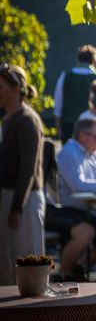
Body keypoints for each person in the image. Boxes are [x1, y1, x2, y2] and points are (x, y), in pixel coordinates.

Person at [47, 118, 96, 280]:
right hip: (60, 210)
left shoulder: (92, 154)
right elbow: (80, 186)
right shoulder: (69, 153)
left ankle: (79, 266)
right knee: (86, 232)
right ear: (83, 136)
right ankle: (64, 274)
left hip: (82, 210)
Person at [0, 64, 46, 285]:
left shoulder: (27, 120)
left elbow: (27, 169)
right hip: (8, 196)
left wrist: (17, 206)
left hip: (24, 200)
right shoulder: (8, 119)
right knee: (7, 266)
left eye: (0, 87)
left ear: (16, 88)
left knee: (29, 267)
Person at [54, 45, 96, 142]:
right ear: (94, 61)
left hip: (68, 125)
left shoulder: (65, 75)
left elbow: (58, 102)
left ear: (78, 59)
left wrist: (58, 125)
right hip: (91, 127)